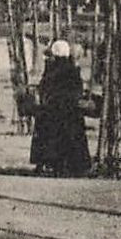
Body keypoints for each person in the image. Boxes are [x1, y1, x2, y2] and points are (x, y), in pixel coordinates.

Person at [30, 40, 91, 176]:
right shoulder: (72, 69)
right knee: (73, 135)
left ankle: (49, 163)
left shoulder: (51, 69)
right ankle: (75, 166)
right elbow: (78, 90)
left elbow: (44, 88)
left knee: (47, 131)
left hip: (52, 111)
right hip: (71, 112)